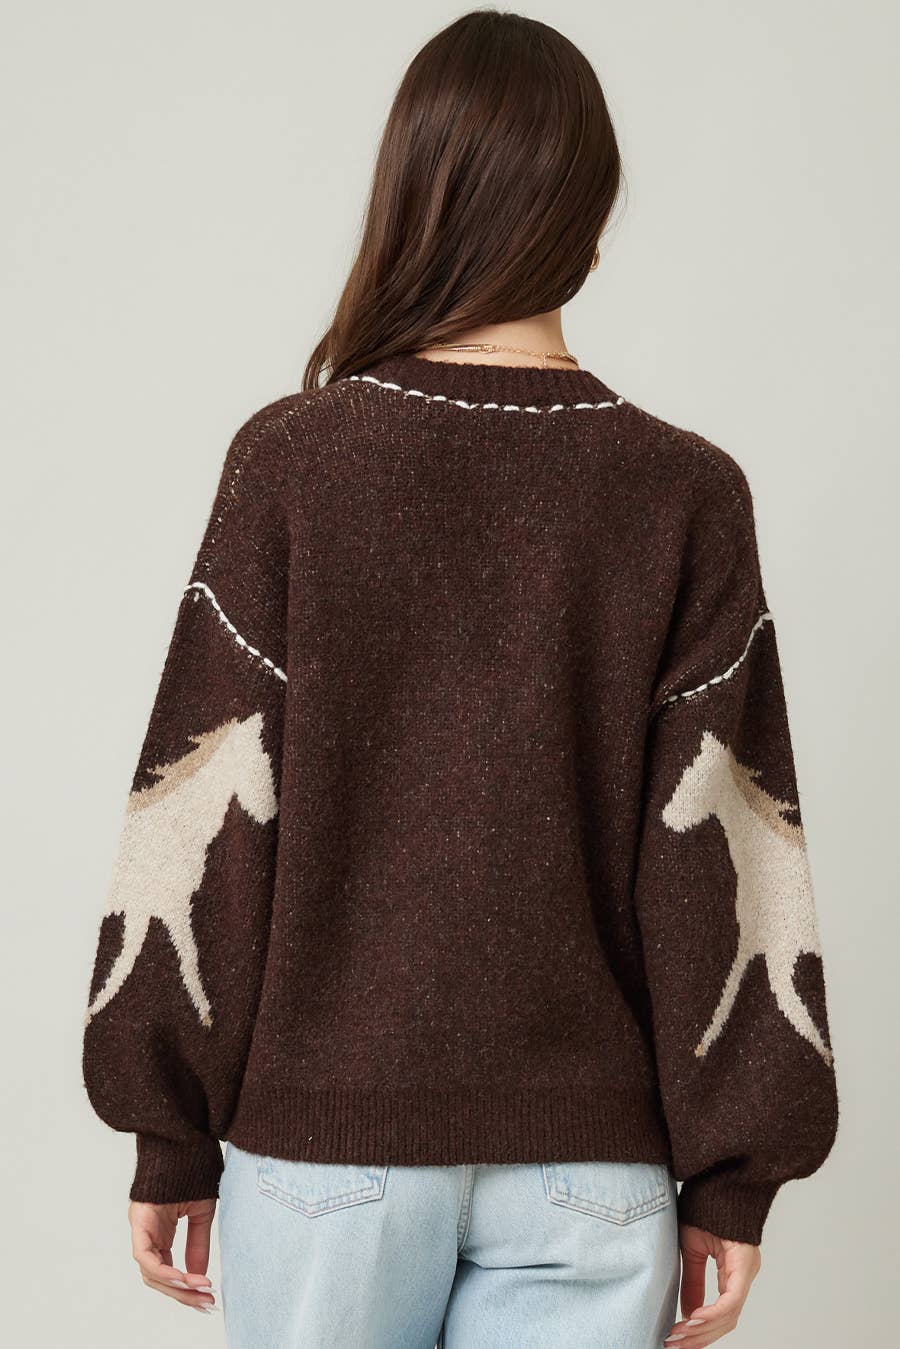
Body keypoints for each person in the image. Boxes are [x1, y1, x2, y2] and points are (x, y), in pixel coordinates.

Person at [80, 10, 839, 1348]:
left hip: (326, 1157)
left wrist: (168, 1127)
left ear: (412, 197)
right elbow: (731, 854)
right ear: (589, 216)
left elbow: (196, 812)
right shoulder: (685, 492)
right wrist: (736, 1174)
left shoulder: (294, 462)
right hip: (593, 1171)